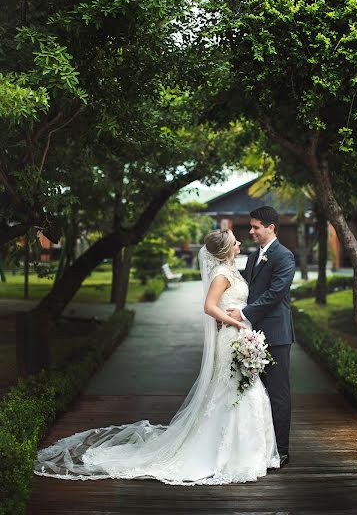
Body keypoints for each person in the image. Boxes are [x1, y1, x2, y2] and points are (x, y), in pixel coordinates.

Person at [34, 229, 279, 485]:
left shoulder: (231, 270)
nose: (240, 242)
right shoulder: (220, 275)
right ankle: (230, 455)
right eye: (235, 241)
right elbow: (209, 307)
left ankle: (249, 453)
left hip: (240, 335)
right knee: (233, 390)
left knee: (245, 388)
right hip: (232, 336)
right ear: (227, 248)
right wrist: (234, 322)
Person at [227, 206, 296, 468]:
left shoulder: (284, 256)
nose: (251, 231)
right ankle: (263, 448)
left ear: (271, 228)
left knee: (278, 393)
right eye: (251, 226)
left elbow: (275, 293)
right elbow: (250, 290)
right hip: (253, 334)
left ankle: (282, 450)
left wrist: (243, 313)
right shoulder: (254, 257)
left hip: (276, 336)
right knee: (256, 393)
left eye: (256, 227)